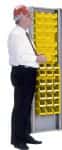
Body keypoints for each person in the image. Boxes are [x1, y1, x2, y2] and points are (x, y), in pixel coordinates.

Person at [8, 5, 47, 150]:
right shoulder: (16, 35)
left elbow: (26, 54)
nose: (31, 18)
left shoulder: (24, 34)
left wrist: (36, 57)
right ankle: (17, 140)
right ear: (22, 17)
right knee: (20, 107)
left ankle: (25, 135)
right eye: (28, 16)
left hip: (28, 72)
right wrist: (37, 59)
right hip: (22, 72)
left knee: (26, 106)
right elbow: (20, 57)